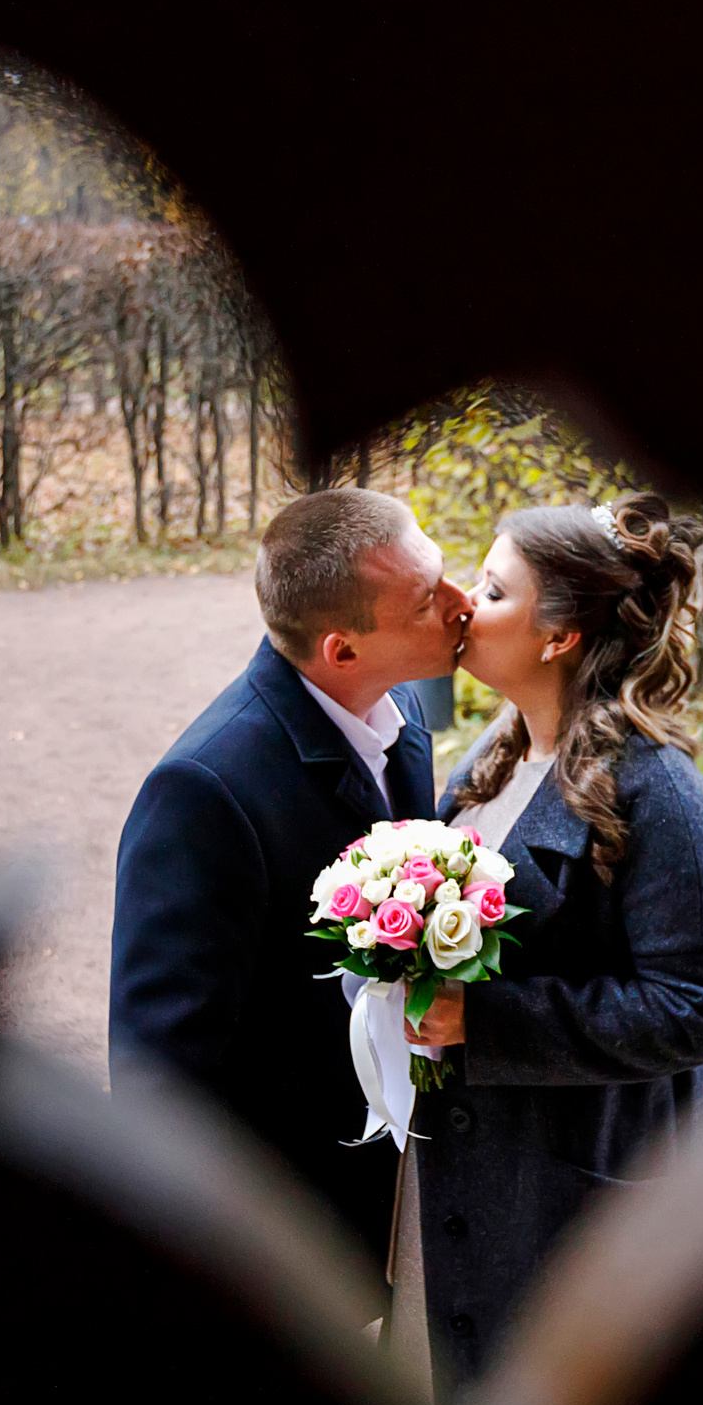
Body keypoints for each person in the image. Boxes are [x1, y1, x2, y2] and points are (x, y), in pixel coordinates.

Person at [384, 492, 703, 1405]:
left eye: (495, 588)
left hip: (571, 1202)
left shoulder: (663, 797)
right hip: (461, 1172)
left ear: (559, 637)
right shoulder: (484, 766)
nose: (465, 598)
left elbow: (701, 1009)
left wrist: (487, 1020)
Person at [108, 488, 472, 1253]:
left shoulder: (399, 713)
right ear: (342, 648)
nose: (460, 601)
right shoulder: (203, 791)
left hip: (399, 1184)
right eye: (424, 600)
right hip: (286, 1222)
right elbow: (159, 1076)